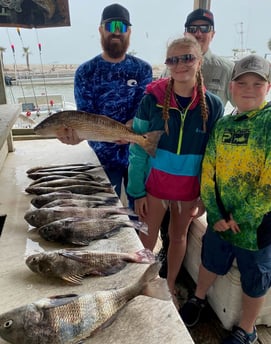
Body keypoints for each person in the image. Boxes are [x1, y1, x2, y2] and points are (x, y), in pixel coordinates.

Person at [180, 54, 271, 344]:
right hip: (220, 220)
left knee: (254, 278)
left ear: (268, 88)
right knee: (210, 260)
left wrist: (237, 218)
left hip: (257, 225)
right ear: (231, 87)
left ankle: (247, 329)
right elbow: (209, 170)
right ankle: (198, 298)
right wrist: (216, 213)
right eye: (242, 82)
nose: (249, 88)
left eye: (258, 83)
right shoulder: (221, 126)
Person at [127, 35, 224, 306]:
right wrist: (136, 191)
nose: (180, 64)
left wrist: (206, 196)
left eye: (187, 58)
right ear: (167, 64)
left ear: (199, 61)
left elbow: (213, 158)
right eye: (173, 59)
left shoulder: (214, 105)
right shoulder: (151, 99)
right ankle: (140, 284)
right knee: (146, 237)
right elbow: (137, 147)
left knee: (178, 237)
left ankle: (168, 285)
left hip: (188, 191)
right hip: (154, 187)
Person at [158, 8, 234, 278]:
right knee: (165, 224)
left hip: (201, 161)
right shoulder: (176, 65)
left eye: (205, 28)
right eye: (193, 28)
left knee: (182, 226)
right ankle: (164, 262)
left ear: (213, 33)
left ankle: (173, 274)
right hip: (168, 163)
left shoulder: (227, 68)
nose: (199, 32)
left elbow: (240, 110)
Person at [56, 3, 152, 203]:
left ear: (130, 33)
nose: (117, 32)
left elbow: (143, 110)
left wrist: (130, 128)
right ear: (100, 30)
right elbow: (84, 117)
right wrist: (76, 136)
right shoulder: (85, 72)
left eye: (123, 27)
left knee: (140, 217)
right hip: (101, 162)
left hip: (138, 158)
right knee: (107, 219)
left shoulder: (142, 69)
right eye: (111, 26)